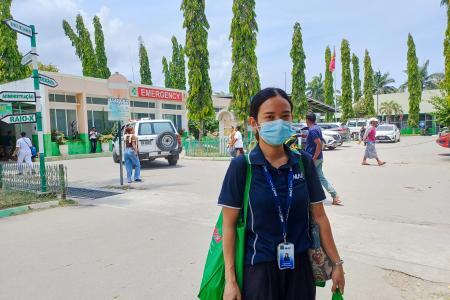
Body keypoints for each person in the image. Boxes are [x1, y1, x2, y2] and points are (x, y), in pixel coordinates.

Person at [220, 88, 345, 300]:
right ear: (254, 123)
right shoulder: (242, 167)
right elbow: (229, 226)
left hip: (300, 271)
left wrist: (337, 263)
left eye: (285, 116)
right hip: (258, 271)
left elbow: (319, 217)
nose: (279, 122)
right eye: (270, 117)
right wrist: (230, 281)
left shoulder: (303, 163)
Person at [305, 113, 342, 206]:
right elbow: (316, 141)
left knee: (305, 177)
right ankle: (334, 196)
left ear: (307, 120)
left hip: (314, 158)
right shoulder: (316, 128)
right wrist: (306, 137)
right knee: (320, 177)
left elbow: (319, 144)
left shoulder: (312, 130)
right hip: (319, 157)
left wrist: (314, 158)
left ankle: (308, 198)